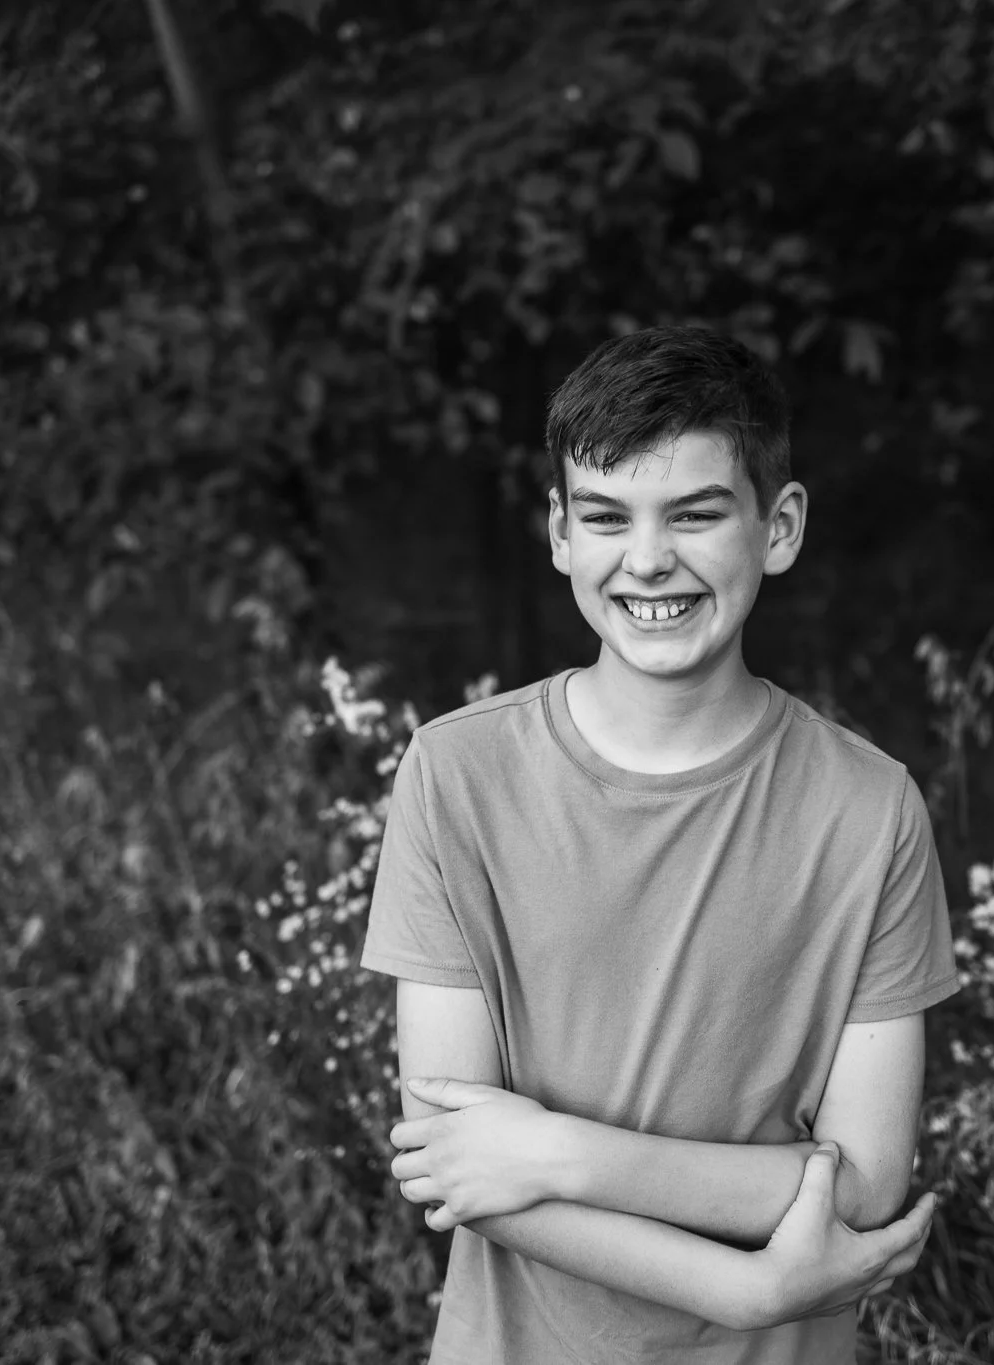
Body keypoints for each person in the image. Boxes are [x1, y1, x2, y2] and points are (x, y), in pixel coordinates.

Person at [359, 324, 960, 1363]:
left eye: (694, 514)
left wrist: (558, 1152)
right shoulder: (455, 774)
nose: (646, 560)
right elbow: (454, 1159)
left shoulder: (870, 811)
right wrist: (744, 1288)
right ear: (559, 532)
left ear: (778, 527)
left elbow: (863, 1186)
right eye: (605, 516)